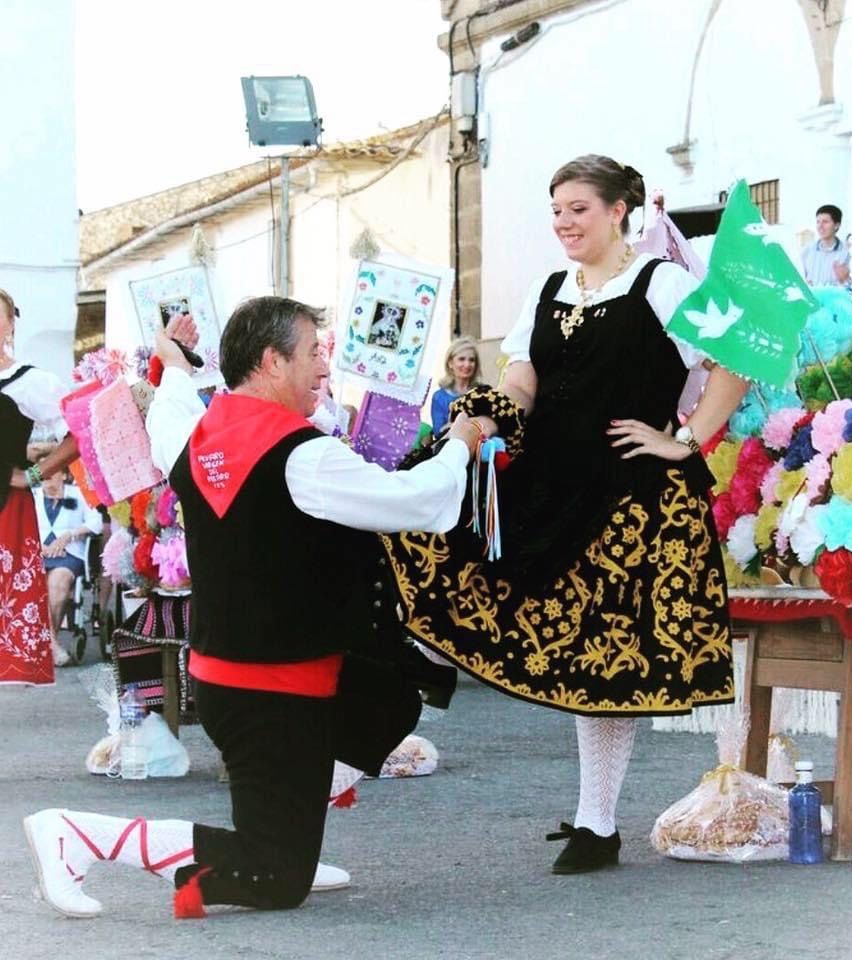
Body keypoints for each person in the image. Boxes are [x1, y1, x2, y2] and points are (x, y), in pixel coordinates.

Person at [24, 298, 478, 920]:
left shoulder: (196, 432)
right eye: (314, 352)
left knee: (387, 704)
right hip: (277, 692)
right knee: (277, 879)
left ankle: (282, 830)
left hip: (232, 679)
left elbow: (175, 403)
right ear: (271, 362)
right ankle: (79, 835)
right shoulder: (306, 457)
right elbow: (421, 501)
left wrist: (172, 360)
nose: (324, 366)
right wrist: (461, 445)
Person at [384, 155, 748, 874]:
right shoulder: (548, 288)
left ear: (619, 213)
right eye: (557, 211)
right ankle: (425, 667)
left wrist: (682, 442)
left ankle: (597, 824)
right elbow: (523, 377)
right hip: (550, 478)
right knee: (445, 549)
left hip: (629, 497)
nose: (564, 223)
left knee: (607, 660)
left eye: (579, 209)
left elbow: (733, 359)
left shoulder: (664, 281)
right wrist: (489, 419)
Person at [0, 289, 80, 685]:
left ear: (11, 323)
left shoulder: (30, 382)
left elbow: (79, 433)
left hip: (6, 510)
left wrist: (34, 474)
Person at [33, 471, 103, 665]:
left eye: (50, 474)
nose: (45, 479)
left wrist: (69, 535)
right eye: (42, 476)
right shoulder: (33, 496)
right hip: (37, 552)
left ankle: (47, 643)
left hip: (69, 554)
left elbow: (96, 522)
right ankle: (51, 644)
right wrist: (38, 547)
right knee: (34, 584)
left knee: (58, 582)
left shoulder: (78, 493)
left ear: (63, 475)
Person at [430, 336, 484, 437]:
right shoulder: (439, 397)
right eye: (461, 359)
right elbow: (438, 432)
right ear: (450, 363)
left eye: (471, 360)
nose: (467, 364)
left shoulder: (483, 392)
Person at [801, 204, 850, 287]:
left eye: (825, 222)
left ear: (836, 225)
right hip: (812, 299)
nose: (820, 226)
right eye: (818, 222)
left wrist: (845, 280)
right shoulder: (807, 251)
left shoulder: (846, 254)